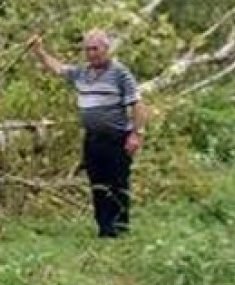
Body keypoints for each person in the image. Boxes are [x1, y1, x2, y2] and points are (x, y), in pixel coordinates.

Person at [27, 30, 148, 238]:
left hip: (116, 138)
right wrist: (39, 51)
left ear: (106, 49)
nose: (91, 54)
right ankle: (104, 228)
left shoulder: (120, 73)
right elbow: (57, 68)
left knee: (117, 184)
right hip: (92, 139)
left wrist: (136, 134)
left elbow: (137, 105)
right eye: (88, 50)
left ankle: (120, 230)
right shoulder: (82, 73)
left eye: (95, 49)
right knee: (98, 184)